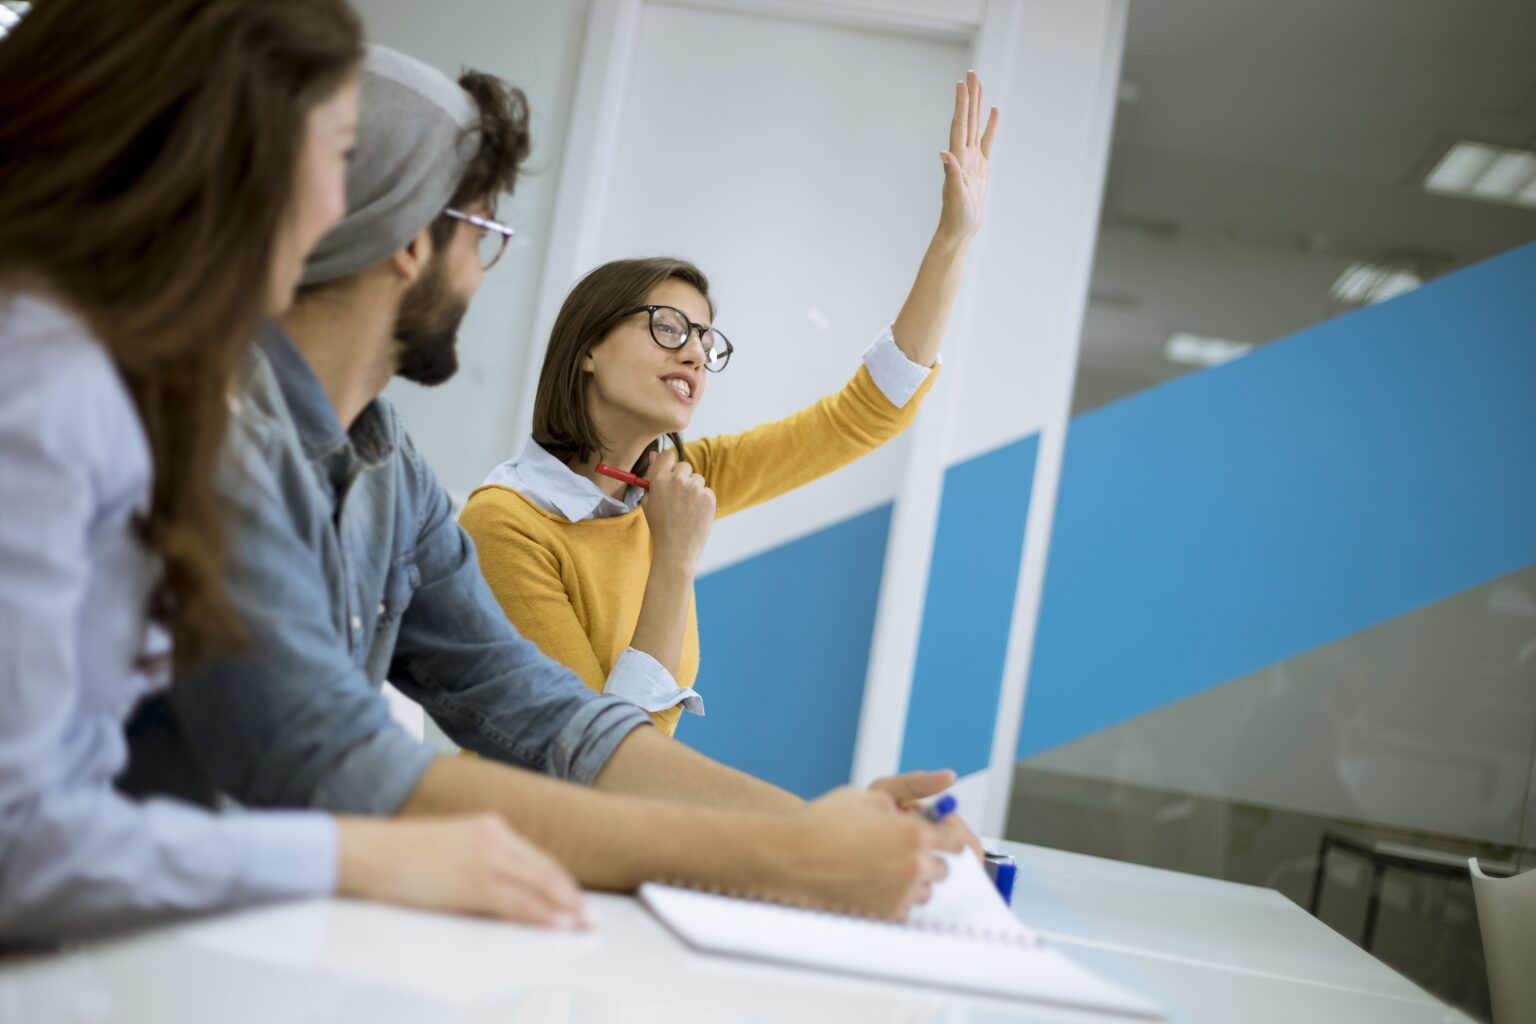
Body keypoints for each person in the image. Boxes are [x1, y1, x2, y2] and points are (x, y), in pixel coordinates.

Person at [149, 45, 968, 921]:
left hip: (290, 926)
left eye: (704, 337)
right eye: (486, 235)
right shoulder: (223, 445)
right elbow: (337, 759)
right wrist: (792, 853)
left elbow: (558, 724)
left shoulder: (397, 474)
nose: (481, 273)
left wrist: (827, 832)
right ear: (409, 242)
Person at [0, 0, 586, 944]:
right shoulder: (48, 385)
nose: (332, 206)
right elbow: (19, 842)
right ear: (218, 156)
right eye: (328, 154)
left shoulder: (125, 384)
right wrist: (361, 854)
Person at [461, 74, 998, 736]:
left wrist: (953, 239)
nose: (692, 353)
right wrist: (674, 559)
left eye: (704, 340)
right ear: (587, 347)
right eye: (667, 327)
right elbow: (598, 759)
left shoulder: (675, 485)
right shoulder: (506, 524)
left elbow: (867, 414)